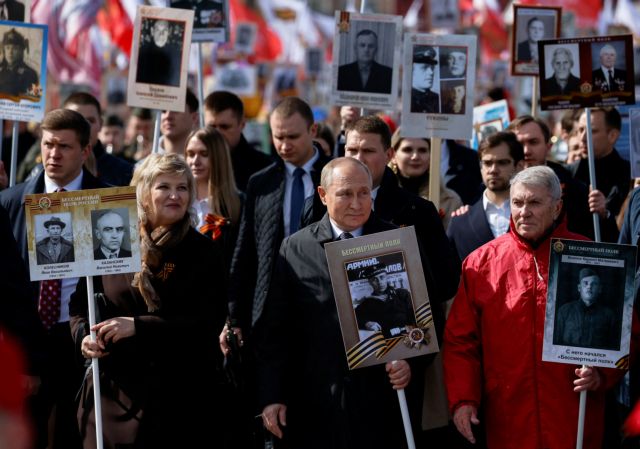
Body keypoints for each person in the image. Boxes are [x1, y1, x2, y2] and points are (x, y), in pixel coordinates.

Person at [444, 166, 625, 449]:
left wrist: (602, 375)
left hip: (572, 414)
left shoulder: (591, 256)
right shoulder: (481, 264)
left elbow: (623, 332)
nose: (524, 211)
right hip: (508, 414)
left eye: (534, 202)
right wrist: (463, 399)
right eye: (517, 202)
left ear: (557, 207)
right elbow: (460, 341)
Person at [257, 157, 431, 449]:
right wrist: (272, 395)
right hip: (318, 400)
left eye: (364, 192)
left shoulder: (395, 242)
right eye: (345, 194)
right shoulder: (295, 248)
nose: (357, 203)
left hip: (383, 401)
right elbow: (277, 329)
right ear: (323, 196)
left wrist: (412, 361)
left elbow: (428, 315)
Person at [70, 153, 228, 448]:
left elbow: (207, 323)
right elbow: (80, 304)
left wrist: (138, 326)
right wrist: (83, 337)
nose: (174, 195)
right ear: (143, 193)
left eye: (182, 188)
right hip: (111, 397)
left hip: (176, 400)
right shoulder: (110, 238)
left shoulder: (203, 251)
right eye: (163, 186)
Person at [0, 109, 107, 449]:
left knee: (73, 434)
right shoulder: (11, 202)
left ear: (85, 151)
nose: (53, 154)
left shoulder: (107, 201)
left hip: (80, 337)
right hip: (27, 339)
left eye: (64, 146)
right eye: (48, 144)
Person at [448, 131, 524, 261]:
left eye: (502, 162)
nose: (493, 169)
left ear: (519, 166)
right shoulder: (460, 223)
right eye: (487, 163)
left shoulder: (535, 218)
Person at [569, 107, 630, 242]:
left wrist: (605, 213)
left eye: (592, 131)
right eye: (580, 130)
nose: (583, 137)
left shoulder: (630, 175)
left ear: (612, 135)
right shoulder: (568, 173)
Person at [185, 125, 242, 266]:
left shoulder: (238, 204)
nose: (195, 161)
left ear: (218, 157)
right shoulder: (178, 201)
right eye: (190, 154)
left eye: (204, 154)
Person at [388, 128, 462, 230]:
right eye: (408, 150)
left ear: (431, 157)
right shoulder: (377, 196)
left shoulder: (450, 200)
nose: (415, 157)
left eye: (422, 150)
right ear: (393, 156)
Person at [203, 91, 272, 192]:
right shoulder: (192, 165)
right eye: (211, 127)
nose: (217, 133)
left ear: (242, 125)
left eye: (224, 127)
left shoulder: (265, 169)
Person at [63, 92, 134, 187]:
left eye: (90, 121)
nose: (84, 127)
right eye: (76, 121)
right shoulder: (50, 169)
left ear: (100, 124)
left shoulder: (125, 172)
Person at [554, 267, 618, 349]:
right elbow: (555, 345)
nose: (589, 287)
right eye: (585, 283)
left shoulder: (609, 315)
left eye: (594, 284)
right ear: (579, 288)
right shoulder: (564, 311)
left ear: (600, 289)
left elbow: (613, 348)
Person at [355, 263, 416, 338]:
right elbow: (353, 318)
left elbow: (415, 314)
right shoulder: (367, 303)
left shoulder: (402, 294)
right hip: (387, 343)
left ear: (386, 277)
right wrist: (366, 323)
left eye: (382, 277)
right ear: (370, 282)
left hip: (410, 336)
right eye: (374, 279)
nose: (379, 282)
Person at [337, 29, 393, 94]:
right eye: (362, 45)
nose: (366, 50)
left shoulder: (388, 74)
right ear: (355, 49)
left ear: (376, 49)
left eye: (371, 46)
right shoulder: (341, 72)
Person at [135, 19, 181, 87]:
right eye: (157, 30)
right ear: (152, 31)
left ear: (169, 32)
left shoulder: (176, 52)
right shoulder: (143, 52)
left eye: (164, 31)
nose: (161, 34)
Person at [0, 28, 38, 97]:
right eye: (7, 48)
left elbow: (36, 100)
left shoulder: (31, 74)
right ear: (4, 50)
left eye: (15, 48)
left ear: (21, 51)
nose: (10, 52)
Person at [159, 88, 199, 155]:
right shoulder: (143, 165)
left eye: (175, 109)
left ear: (194, 118)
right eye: (163, 110)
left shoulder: (205, 164)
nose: (168, 116)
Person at [411, 45, 440, 113]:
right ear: (411, 70)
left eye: (432, 68)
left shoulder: (438, 99)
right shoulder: (406, 100)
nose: (431, 72)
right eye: (424, 68)